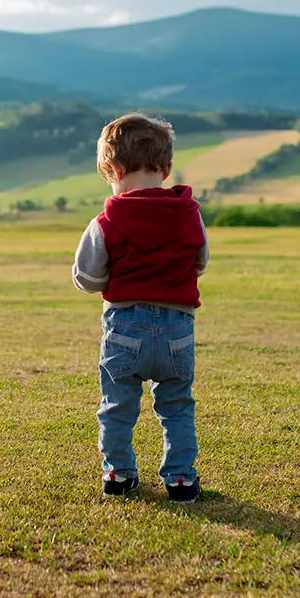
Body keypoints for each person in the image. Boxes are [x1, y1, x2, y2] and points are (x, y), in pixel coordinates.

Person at [71, 113, 208, 501]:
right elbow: (200, 260)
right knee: (177, 405)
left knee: (117, 405)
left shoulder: (106, 221)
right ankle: (181, 479)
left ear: (113, 169)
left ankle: (118, 474)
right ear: (166, 169)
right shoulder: (189, 214)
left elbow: (86, 276)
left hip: (124, 328)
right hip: (178, 328)